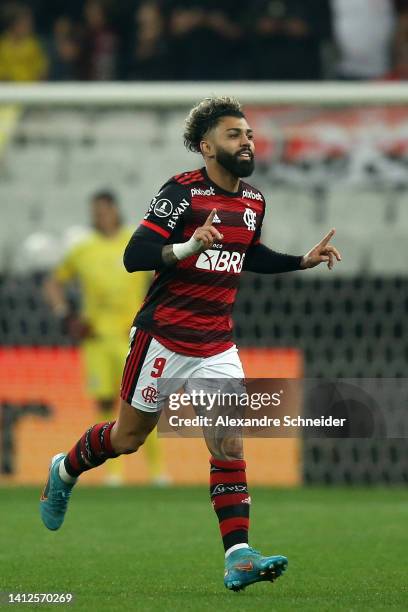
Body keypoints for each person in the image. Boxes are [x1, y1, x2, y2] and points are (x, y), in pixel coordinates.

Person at [40, 97, 341, 591]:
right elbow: (134, 255)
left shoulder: (254, 201)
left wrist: (299, 261)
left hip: (216, 343)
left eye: (247, 133)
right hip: (162, 337)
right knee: (127, 439)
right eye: (232, 134)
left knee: (227, 444)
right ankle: (64, 469)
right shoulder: (181, 192)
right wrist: (188, 246)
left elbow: (249, 254)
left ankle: (238, 555)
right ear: (206, 146)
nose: (246, 141)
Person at [44, 191, 167, 486]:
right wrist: (65, 315)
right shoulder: (83, 249)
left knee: (145, 402)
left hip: (134, 337)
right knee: (103, 403)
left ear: (115, 210)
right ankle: (113, 474)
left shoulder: (136, 241)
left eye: (103, 210)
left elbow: (162, 275)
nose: (99, 215)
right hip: (97, 339)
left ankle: (157, 472)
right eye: (95, 211)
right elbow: (53, 283)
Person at [0, 3, 48, 82]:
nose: (28, 27)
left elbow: (42, 68)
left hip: (31, 90)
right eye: (24, 23)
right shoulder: (2, 45)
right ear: (13, 24)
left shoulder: (34, 44)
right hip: (6, 90)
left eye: (29, 24)